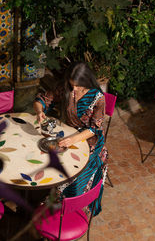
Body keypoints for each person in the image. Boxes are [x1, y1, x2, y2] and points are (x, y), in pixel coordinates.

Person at [33, 62, 107, 216]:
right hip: (67, 134)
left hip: (89, 141)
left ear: (87, 82)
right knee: (39, 153)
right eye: (72, 85)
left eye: (79, 87)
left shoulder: (98, 98)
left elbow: (94, 129)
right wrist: (39, 111)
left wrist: (74, 140)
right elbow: (42, 99)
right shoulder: (66, 87)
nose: (74, 90)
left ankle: (68, 207)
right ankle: (43, 191)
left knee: (72, 173)